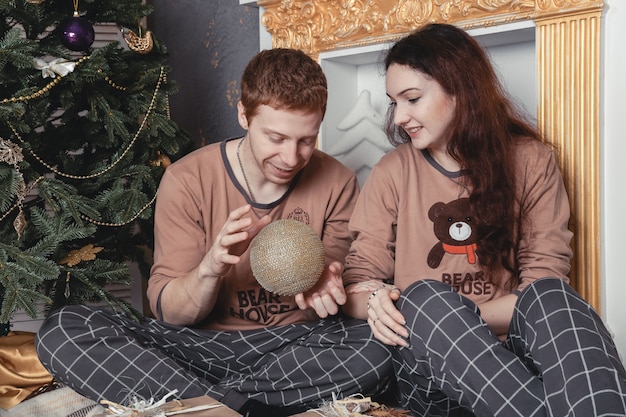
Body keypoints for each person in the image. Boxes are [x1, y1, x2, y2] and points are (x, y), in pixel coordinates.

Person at [35, 48, 393, 417]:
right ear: (243, 114)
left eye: (306, 140)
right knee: (64, 328)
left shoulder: (337, 181)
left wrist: (328, 287)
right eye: (276, 138)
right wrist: (210, 268)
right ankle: (242, 407)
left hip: (292, 348)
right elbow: (171, 315)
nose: (291, 157)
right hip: (197, 347)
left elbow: (337, 297)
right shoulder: (188, 179)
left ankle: (205, 406)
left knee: (377, 345)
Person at [341, 23, 626, 417]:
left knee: (553, 296)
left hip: (516, 356)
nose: (400, 116)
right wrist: (374, 301)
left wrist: (465, 320)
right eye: (394, 103)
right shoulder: (392, 171)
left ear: (460, 90)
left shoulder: (531, 160)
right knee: (426, 299)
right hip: (430, 369)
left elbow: (542, 283)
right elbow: (358, 280)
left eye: (412, 99)